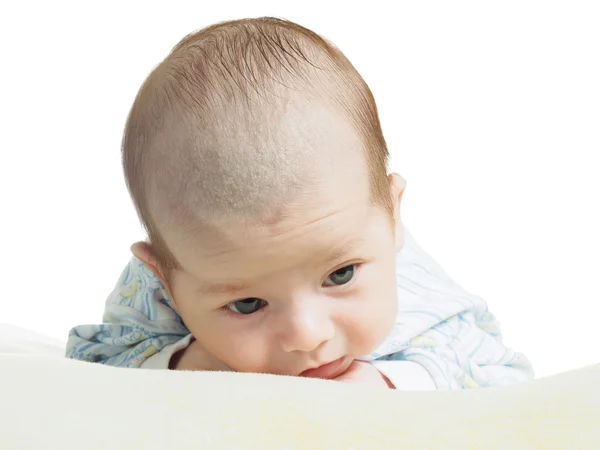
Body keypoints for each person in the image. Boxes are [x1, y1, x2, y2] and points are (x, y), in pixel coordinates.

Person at [66, 17, 533, 390]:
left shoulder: (411, 286)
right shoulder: (158, 288)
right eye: (247, 304)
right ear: (165, 278)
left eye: (341, 275)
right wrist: (183, 365)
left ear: (391, 217)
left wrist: (393, 382)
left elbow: (500, 370)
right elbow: (91, 366)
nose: (308, 334)